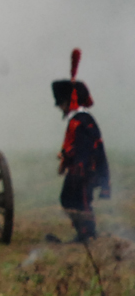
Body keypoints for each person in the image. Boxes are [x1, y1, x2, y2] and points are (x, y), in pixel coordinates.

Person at [52, 49, 110, 242]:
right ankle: (83, 233)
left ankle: (88, 235)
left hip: (84, 169)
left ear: (68, 102)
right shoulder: (79, 119)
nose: (60, 107)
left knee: (81, 201)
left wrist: (72, 160)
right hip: (80, 167)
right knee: (69, 199)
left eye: (61, 103)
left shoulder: (81, 120)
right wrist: (66, 155)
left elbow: (85, 148)